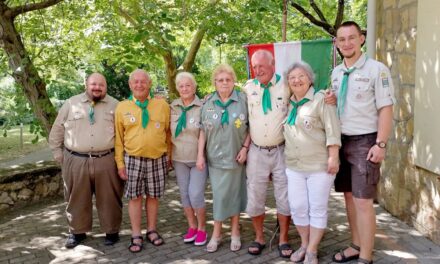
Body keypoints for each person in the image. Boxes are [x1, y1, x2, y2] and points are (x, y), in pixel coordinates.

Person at [329, 21, 395, 264]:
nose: (346, 43)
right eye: (342, 39)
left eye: (351, 38)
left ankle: (366, 257)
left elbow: (386, 108)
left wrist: (381, 144)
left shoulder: (377, 70)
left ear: (361, 39)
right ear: (336, 43)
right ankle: (356, 245)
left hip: (365, 141)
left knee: (363, 201)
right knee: (348, 197)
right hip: (341, 140)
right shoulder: (336, 73)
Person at [48, 73, 124, 248]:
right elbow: (57, 129)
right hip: (75, 160)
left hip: (106, 159)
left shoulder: (116, 105)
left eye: (101, 85)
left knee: (110, 198)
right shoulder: (70, 103)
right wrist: (57, 152)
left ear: (106, 86)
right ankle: (77, 232)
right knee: (76, 197)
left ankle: (112, 231)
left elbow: (123, 133)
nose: (97, 87)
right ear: (86, 85)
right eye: (93, 84)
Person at [283, 62, 341, 264]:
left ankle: (312, 250)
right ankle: (304, 244)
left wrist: (333, 156)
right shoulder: (288, 103)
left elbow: (333, 129)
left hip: (319, 166)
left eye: (301, 76)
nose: (297, 80)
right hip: (294, 166)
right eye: (292, 78)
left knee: (317, 208)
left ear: (310, 78)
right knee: (298, 207)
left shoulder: (322, 100)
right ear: (288, 83)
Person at [114, 69, 171, 253]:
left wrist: (168, 157)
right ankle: (136, 234)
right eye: (135, 82)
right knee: (135, 197)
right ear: (130, 85)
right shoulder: (122, 107)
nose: (139, 85)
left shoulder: (162, 106)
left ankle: (152, 230)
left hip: (158, 159)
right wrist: (120, 164)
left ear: (149, 84)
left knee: (154, 197)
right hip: (132, 160)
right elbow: (118, 139)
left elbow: (168, 133)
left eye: (143, 81)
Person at [242, 49, 292, 258]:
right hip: (256, 151)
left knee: (284, 196)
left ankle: (284, 238)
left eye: (262, 65)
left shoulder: (287, 84)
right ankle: (259, 236)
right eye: (255, 66)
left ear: (273, 65)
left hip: (282, 150)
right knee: (255, 195)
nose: (258, 70)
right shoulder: (248, 88)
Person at [196, 64, 250, 253]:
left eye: (228, 79)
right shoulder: (208, 102)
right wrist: (199, 155)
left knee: (235, 195)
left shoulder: (243, 100)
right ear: (215, 83)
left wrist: (245, 148)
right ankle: (216, 233)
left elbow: (251, 126)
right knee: (219, 196)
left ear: (233, 81)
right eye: (220, 80)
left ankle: (235, 231)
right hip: (215, 159)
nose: (224, 83)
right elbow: (202, 130)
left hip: (236, 158)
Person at [170, 72, 208, 246]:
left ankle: (202, 229)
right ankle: (191, 226)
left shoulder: (203, 106)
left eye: (188, 85)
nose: (184, 89)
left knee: (196, 194)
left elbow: (203, 132)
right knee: (184, 195)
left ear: (194, 87)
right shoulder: (172, 107)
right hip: (179, 158)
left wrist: (201, 156)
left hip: (198, 159)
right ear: (177, 88)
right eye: (181, 86)